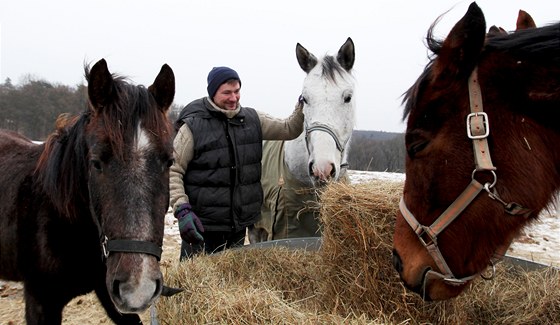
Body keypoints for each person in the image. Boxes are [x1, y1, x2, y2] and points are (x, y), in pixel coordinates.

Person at [170, 66, 304, 260]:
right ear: (213, 93)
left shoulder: (253, 120)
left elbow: (289, 129)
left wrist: (303, 103)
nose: (233, 98)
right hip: (200, 228)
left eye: (237, 91)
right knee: (194, 287)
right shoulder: (192, 127)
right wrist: (182, 209)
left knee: (228, 287)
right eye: (226, 93)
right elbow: (173, 170)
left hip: (237, 228)